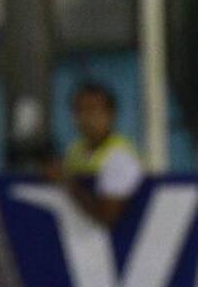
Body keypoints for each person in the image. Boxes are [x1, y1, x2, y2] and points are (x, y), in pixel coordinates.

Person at [47, 82, 143, 228]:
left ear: (110, 114)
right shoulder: (74, 151)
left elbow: (108, 216)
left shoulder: (120, 156)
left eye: (92, 110)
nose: (85, 117)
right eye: (79, 110)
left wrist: (66, 183)